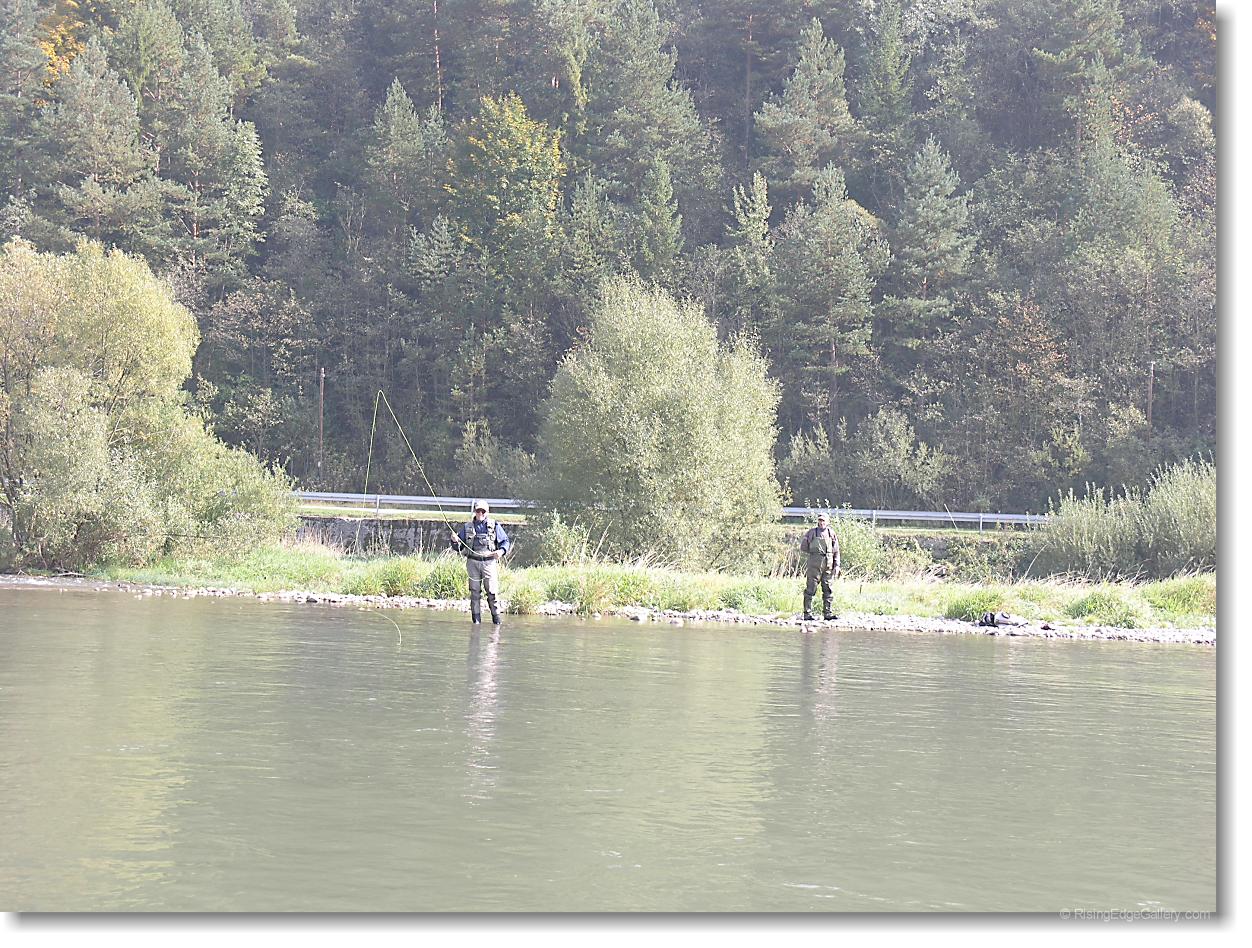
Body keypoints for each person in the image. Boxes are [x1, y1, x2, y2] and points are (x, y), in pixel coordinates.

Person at [451, 500, 511, 626]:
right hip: (472, 563)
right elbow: (459, 548)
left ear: (487, 512)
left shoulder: (494, 525)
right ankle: (476, 622)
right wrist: (454, 541)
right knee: (474, 593)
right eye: (478, 511)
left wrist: (501, 551)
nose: (480, 514)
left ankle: (497, 621)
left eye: (483, 511)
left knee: (492, 593)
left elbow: (505, 541)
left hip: (489, 563)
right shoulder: (467, 527)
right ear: (475, 511)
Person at [799, 511, 840, 621]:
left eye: (823, 521)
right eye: (820, 520)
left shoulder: (831, 533)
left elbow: (836, 551)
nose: (821, 522)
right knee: (810, 589)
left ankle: (828, 614)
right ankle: (807, 614)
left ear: (828, 522)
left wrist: (837, 565)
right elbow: (803, 547)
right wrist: (815, 552)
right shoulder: (811, 532)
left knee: (828, 589)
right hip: (814, 567)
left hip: (828, 566)